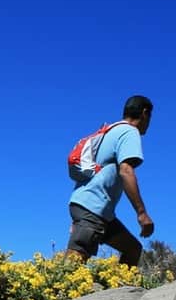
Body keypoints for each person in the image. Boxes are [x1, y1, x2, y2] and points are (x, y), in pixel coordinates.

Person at [66, 94, 154, 267]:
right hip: (92, 208)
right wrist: (141, 213)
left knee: (132, 249)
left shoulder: (111, 131)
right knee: (73, 263)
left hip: (96, 210)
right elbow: (126, 170)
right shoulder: (129, 131)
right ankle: (53, 291)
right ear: (144, 113)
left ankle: (121, 292)